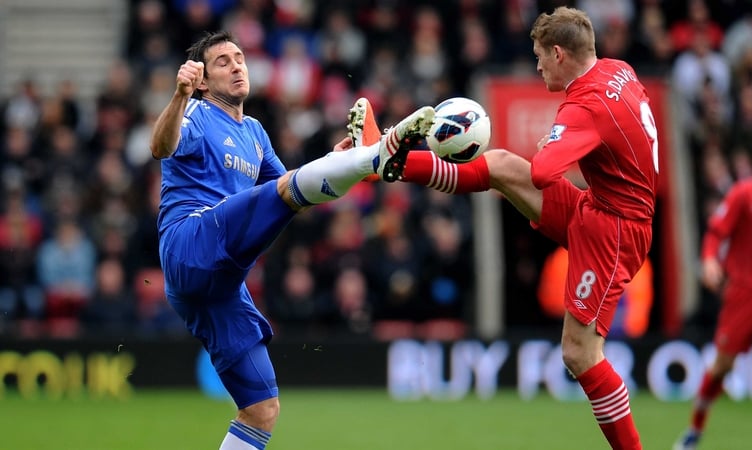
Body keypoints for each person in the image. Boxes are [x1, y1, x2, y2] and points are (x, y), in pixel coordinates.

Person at [350, 7, 655, 449]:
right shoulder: (618, 70)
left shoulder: (585, 105)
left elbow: (546, 171)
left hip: (615, 231)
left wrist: (553, 145)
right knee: (500, 165)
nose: (538, 66)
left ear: (558, 53)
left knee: (580, 353)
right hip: (600, 207)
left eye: (539, 57)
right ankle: (381, 162)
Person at [149, 30, 434, 450]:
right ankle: (374, 155)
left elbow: (293, 195)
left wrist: (335, 162)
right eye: (223, 61)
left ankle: (365, 158)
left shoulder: (255, 132)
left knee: (261, 410)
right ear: (203, 80)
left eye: (240, 57)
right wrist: (179, 95)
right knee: (289, 190)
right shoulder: (196, 111)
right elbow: (160, 147)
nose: (237, 65)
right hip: (190, 243)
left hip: (220, 284)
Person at [673, 129, 752, 450]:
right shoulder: (744, 194)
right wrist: (709, 261)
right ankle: (694, 429)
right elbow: (716, 232)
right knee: (722, 367)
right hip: (744, 292)